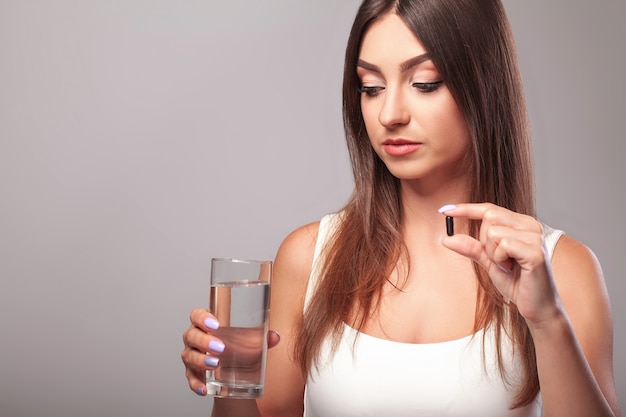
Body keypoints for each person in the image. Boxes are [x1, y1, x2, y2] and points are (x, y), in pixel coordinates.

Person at [181, 0, 622, 416]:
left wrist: (546, 320)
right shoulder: (310, 257)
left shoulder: (560, 270)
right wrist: (224, 377)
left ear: (484, 86)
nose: (389, 113)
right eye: (370, 87)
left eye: (425, 82)